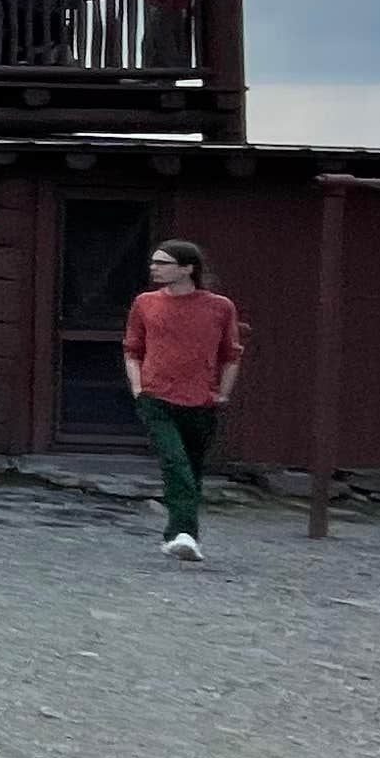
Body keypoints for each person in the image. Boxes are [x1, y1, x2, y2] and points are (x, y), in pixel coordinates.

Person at [121, 238, 244, 563]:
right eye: (154, 262)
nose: (154, 268)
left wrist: (223, 393)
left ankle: (178, 534)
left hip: (201, 401)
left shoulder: (219, 307)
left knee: (191, 469)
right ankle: (184, 535)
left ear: (187, 268)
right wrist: (137, 386)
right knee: (175, 463)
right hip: (156, 397)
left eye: (163, 263)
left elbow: (230, 354)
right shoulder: (145, 303)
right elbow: (132, 348)